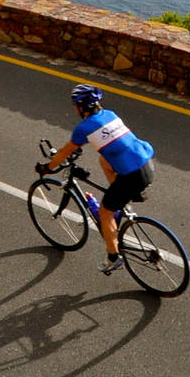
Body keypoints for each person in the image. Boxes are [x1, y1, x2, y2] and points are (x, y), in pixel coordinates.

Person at [37, 83, 156, 275]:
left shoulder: (84, 128)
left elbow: (65, 152)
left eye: (75, 104)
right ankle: (122, 199)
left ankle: (113, 258)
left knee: (105, 213)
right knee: (104, 159)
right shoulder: (110, 114)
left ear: (82, 106)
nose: (74, 108)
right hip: (147, 165)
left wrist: (47, 168)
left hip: (132, 176)